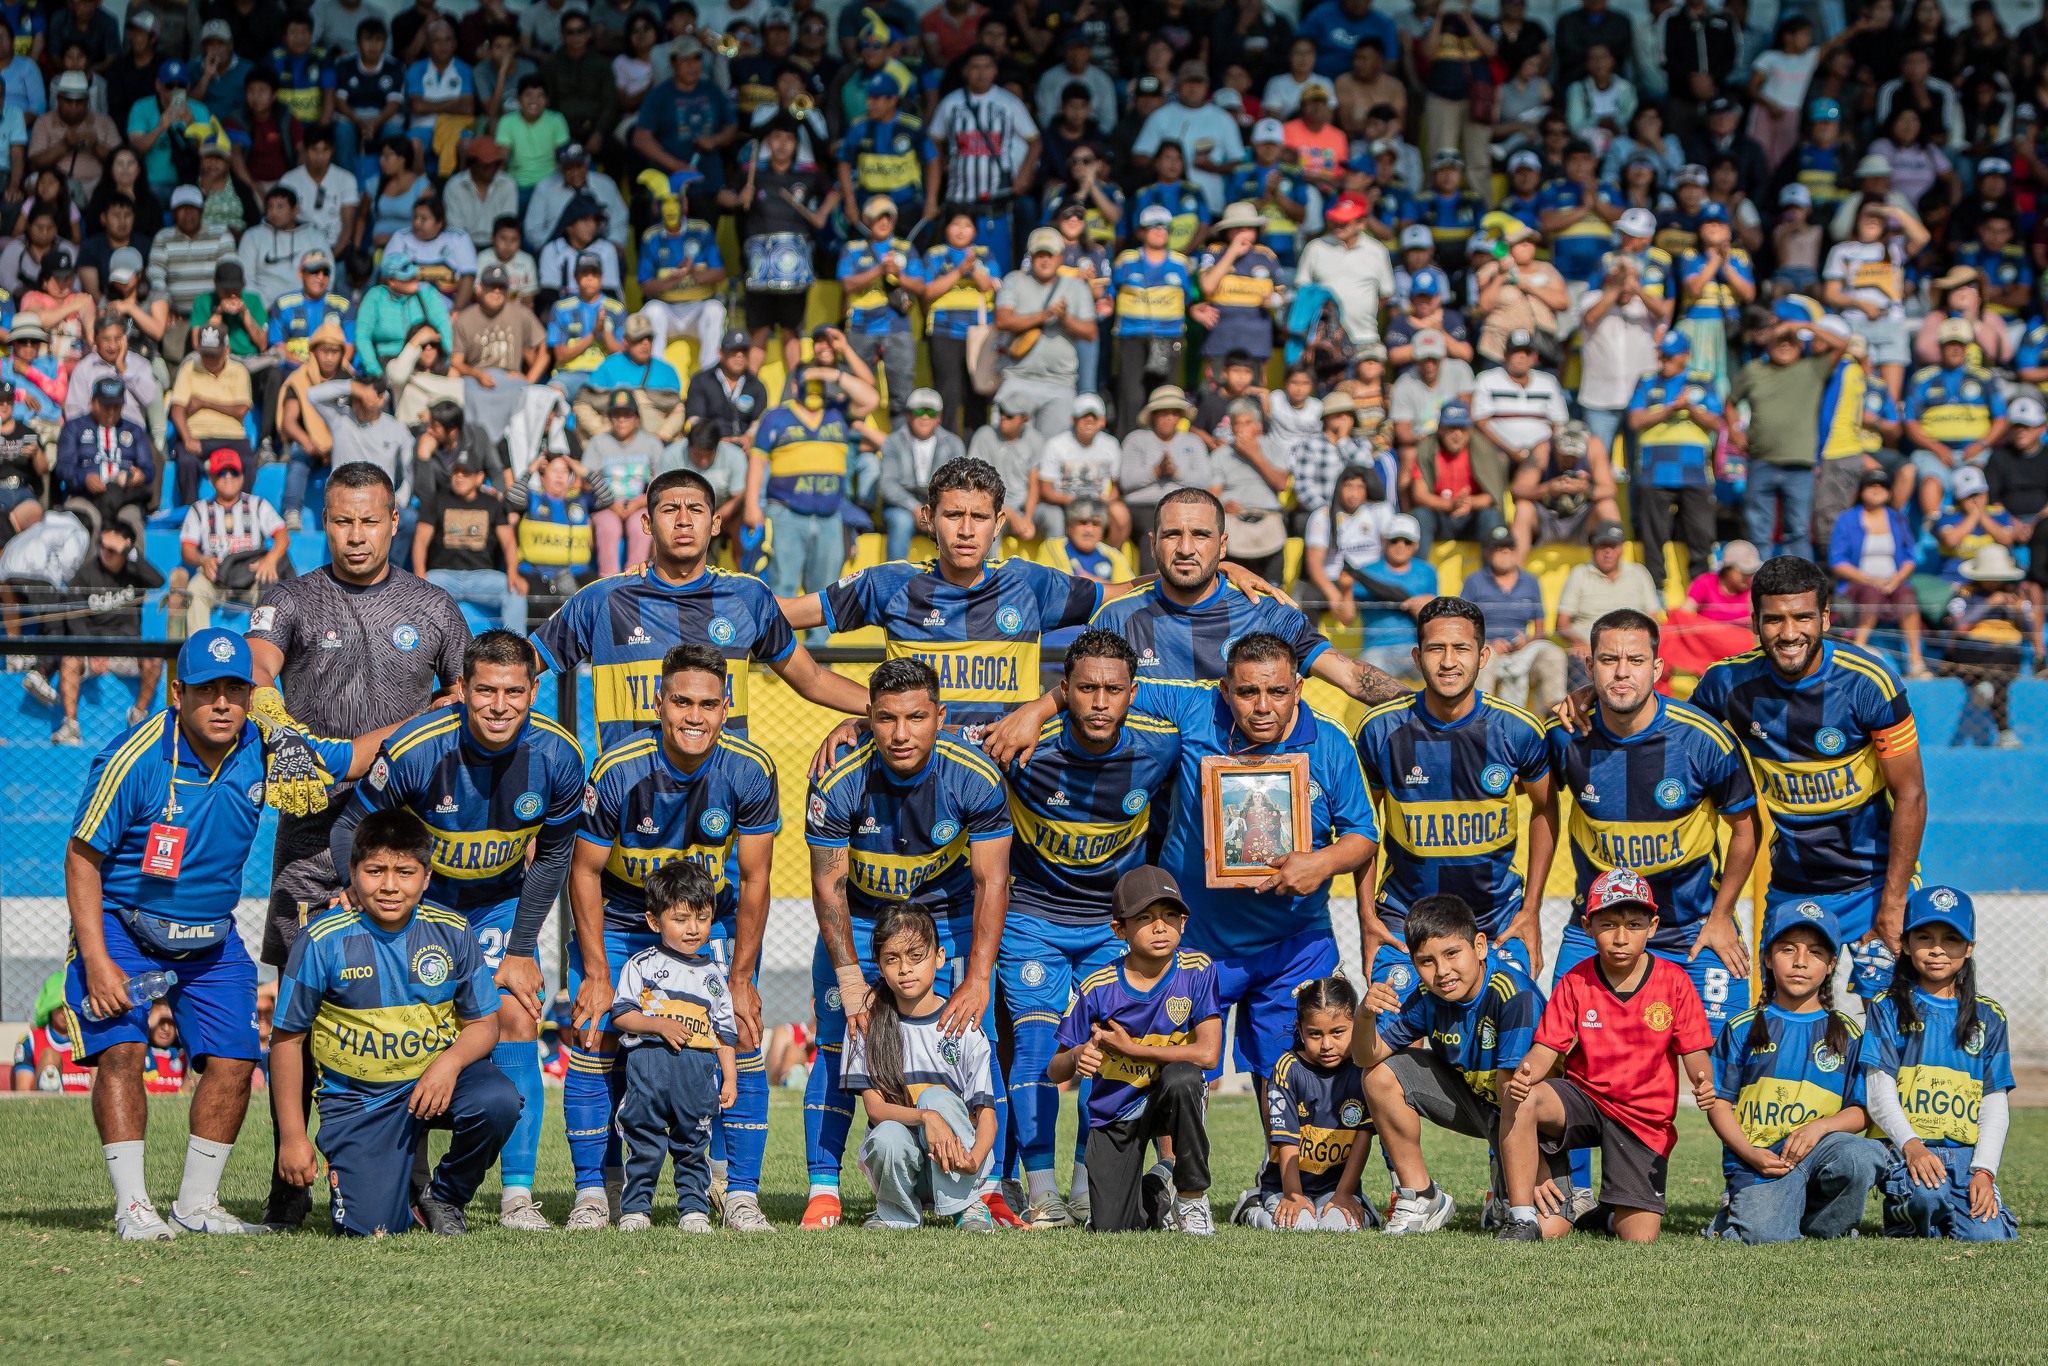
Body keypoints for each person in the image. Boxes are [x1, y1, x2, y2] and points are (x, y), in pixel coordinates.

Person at [63, 627, 366, 1240]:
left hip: (211, 937)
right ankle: (133, 1208)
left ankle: (196, 1205)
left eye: (236, 688)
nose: (223, 702)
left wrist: (431, 716)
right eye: (208, 690)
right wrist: (97, 959)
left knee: (233, 1060)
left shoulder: (269, 744)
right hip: (124, 927)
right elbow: (81, 857)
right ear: (178, 693)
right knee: (123, 1053)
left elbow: (351, 757)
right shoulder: (137, 758)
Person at [244, 461, 472, 1232]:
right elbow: (259, 661)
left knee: (407, 1011)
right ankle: (290, 1172)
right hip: (311, 846)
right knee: (304, 1018)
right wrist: (267, 699)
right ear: (326, 522)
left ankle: (408, 1183)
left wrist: (439, 712)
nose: (355, 534)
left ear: (394, 519)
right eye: (341, 520)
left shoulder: (434, 607)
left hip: (404, 849)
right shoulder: (291, 598)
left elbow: (469, 696)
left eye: (368, 520)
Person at [325, 630, 586, 1231]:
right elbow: (351, 827)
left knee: (518, 1012)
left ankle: (517, 1198)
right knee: (399, 1018)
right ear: (462, 689)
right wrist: (358, 893)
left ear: (534, 691)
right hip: (421, 906)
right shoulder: (417, 748)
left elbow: (552, 854)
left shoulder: (560, 756)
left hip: (495, 903)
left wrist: (522, 948)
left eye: (514, 692)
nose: (500, 705)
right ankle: (401, 1174)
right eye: (486, 691)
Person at [1650, 555, 1926, 1005]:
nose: (1790, 632)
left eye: (1802, 617)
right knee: (1777, 1027)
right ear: (1755, 622)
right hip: (1792, 884)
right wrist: (1594, 698)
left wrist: (1893, 904)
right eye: (1774, 620)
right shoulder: (1728, 684)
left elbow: (1910, 794)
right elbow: (1673, 733)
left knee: (1894, 1029)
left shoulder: (1868, 681)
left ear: (1825, 617)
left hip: (1873, 886)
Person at [800, 657, 1017, 1228]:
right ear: (868, 717)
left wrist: (975, 977)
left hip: (941, 920)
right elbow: (829, 885)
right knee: (835, 1048)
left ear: (940, 717)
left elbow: (992, 880)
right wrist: (850, 976)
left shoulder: (974, 775)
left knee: (973, 1039)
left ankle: (983, 1185)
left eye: (917, 717)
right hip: (862, 927)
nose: (901, 733)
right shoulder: (837, 778)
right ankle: (824, 1189)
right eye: (887, 718)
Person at [990, 630, 1183, 1226]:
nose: (1100, 702)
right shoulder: (1023, 743)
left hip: (1112, 928)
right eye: (1086, 688)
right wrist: (859, 726)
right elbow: (924, 736)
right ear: (1064, 690)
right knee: (1038, 1045)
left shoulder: (1162, 746)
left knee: (1107, 1049)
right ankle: (1042, 1188)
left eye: (1113, 689)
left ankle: (1084, 1183)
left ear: (1132, 693)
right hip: (1034, 919)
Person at [270, 809, 520, 1238]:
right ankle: (383, 1178)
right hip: (359, 1100)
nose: (389, 885)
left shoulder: (453, 931)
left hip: (432, 1081)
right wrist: (294, 1137)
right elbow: (286, 1040)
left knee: (498, 1101)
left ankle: (444, 1196)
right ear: (352, 872)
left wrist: (449, 1065)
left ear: (426, 877)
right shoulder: (321, 939)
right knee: (373, 1231)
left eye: (405, 872)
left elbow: (485, 1024)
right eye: (375, 871)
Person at [1546, 608, 1763, 1040]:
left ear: (1658, 668)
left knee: (1725, 1065)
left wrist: (1721, 917)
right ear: (1589, 667)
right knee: (1556, 1053)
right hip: (1599, 930)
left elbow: (1746, 829)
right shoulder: (1564, 735)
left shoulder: (1703, 739)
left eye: (1636, 660)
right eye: (1608, 661)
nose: (1622, 672)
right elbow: (1535, 806)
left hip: (1693, 929)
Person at [1497, 868, 1717, 1242]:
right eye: (1608, 924)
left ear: (1653, 926)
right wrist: (1526, 1074)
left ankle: (1608, 1214)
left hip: (1642, 1117)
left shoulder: (1675, 981)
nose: (1620, 937)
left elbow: (1694, 1051)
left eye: (1633, 924)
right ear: (1587, 926)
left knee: (1638, 1238)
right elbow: (1547, 1047)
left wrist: (1704, 1082)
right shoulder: (1576, 980)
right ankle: (1521, 1217)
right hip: (1585, 1099)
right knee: (1525, 1099)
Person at [1352, 592, 1555, 983]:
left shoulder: (1518, 729)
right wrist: (1366, 917)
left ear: (1482, 656)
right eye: (1435, 649)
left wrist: (1531, 909)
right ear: (1416, 657)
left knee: (1518, 1030)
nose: (1448, 662)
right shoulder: (1380, 729)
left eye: (1461, 648)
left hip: (1496, 920)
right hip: (1403, 918)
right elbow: (1362, 826)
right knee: (1382, 1038)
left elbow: (1546, 810)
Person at [1354, 891, 1569, 1233]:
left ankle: (1510, 1194)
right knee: (1378, 1076)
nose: (1442, 971)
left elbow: (1518, 1095)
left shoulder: (1514, 995)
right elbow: (1367, 1056)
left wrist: (1536, 1166)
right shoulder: (1427, 996)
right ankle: (1423, 1197)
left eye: (1452, 953)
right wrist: (1364, 1016)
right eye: (1426, 961)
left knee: (1550, 1226)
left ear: (1480, 946)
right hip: (1482, 1106)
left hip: (1529, 1119)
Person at [1046, 865, 1221, 1235]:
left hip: (1167, 1098)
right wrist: (1078, 1057)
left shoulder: (1198, 969)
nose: (1160, 927)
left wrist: (1133, 1049)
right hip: (1117, 1111)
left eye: (1169, 915)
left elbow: (1208, 1055)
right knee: (1115, 1228)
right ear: (1119, 929)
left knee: (1186, 1077)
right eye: (1145, 917)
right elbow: (1054, 1070)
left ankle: (1190, 1198)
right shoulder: (1098, 986)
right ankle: (1160, 1185)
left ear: (1184, 923)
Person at [1704, 902, 1889, 1244]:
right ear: (1767, 957)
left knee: (1864, 1155)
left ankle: (1822, 1221)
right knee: (1763, 1236)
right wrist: (1749, 1154)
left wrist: (1820, 1127)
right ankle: (1738, 1214)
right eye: (1788, 949)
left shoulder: (1848, 1033)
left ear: (1832, 964)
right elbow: (1719, 1102)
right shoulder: (1742, 1028)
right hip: (1762, 1165)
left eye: (1815, 952)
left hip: (1820, 1157)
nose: (1801, 961)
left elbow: (1862, 1110)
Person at [1863, 886, 2016, 1241]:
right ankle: (1906, 1217)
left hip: (1965, 1157)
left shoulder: (1989, 1016)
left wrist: (1984, 1171)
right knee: (1926, 1197)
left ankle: (1960, 1206)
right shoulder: (1887, 1007)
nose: (1937, 949)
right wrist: (1912, 1146)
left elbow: (1995, 1103)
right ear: (1905, 942)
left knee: (1990, 1237)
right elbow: (1878, 1090)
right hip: (1909, 1149)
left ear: (1970, 947)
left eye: (1951, 938)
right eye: (1925, 936)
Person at [845, 903, 1001, 1232]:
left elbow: (986, 1115)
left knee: (937, 1098)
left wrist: (975, 1159)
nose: (905, 969)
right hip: (906, 1169)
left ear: (939, 957)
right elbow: (874, 1109)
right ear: (880, 966)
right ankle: (895, 1212)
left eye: (916, 956)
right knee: (887, 1133)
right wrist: (926, 1118)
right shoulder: (866, 1027)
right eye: (892, 959)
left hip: (958, 1166)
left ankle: (967, 1205)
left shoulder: (964, 1028)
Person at [1236, 977, 1375, 1231]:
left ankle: (1362, 1206)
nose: (1326, 1045)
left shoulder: (1362, 1070)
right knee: (1297, 1225)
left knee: (1338, 1227)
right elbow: (1286, 1141)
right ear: (1299, 1029)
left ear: (1355, 1025)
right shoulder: (1287, 1070)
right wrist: (1293, 1195)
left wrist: (1344, 1194)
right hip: (1285, 1185)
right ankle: (1251, 1210)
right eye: (1314, 1034)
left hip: (1336, 1186)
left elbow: (1363, 1139)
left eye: (1337, 1032)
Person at [1728, 319, 1850, 562]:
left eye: (1790, 342)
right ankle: (1760, 588)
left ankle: (1801, 590)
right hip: (1761, 461)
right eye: (1778, 341)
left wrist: (1804, 326)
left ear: (1800, 346)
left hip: (1800, 465)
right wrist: (1734, 430)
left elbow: (1840, 345)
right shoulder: (1753, 370)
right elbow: (1730, 402)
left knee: (1798, 532)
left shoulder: (1812, 369)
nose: (1784, 346)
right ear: (1768, 345)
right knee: (1759, 533)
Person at [1626, 329, 1722, 592]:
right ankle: (1655, 592)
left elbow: (1716, 422)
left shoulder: (1703, 380)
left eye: (1671, 356)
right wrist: (1669, 408)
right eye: (1662, 355)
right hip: (1654, 471)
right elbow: (1634, 420)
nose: (1664, 361)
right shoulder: (1646, 381)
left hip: (1695, 472)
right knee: (1653, 537)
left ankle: (1701, 593)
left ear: (1686, 356)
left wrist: (1689, 408)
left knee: (1701, 536)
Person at [54, 518, 165, 745]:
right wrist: (92, 649)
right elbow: (74, 618)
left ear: (126, 548)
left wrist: (130, 552)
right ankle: (70, 726)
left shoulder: (134, 572)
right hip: (93, 649)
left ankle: (138, 715)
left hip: (127, 649)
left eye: (113, 549)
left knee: (155, 658)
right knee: (69, 660)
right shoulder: (85, 574)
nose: (106, 552)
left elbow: (158, 580)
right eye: (103, 546)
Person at [990, 227, 1096, 439]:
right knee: (1004, 443)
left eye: (1050, 254)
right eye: (1040, 255)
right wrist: (1045, 315)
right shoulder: (1015, 280)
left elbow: (1091, 332)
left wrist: (1065, 318)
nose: (1045, 260)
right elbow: (1002, 320)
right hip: (1017, 378)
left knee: (1052, 453)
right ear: (1031, 257)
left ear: (1061, 257)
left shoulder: (1076, 287)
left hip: (1060, 384)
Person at [175, 446, 288, 634]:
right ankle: (201, 652)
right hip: (215, 577)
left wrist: (270, 560)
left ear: (242, 477)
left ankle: (269, 649)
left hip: (251, 576)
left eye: (233, 472)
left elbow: (282, 536)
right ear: (211, 478)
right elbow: (187, 549)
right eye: (221, 473)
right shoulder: (199, 510)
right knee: (195, 588)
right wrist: (203, 560)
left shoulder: (257, 505)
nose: (228, 477)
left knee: (272, 593)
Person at [1906, 316, 2009, 522]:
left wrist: (1981, 444)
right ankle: (1934, 529)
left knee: (1979, 478)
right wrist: (1936, 448)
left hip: (1975, 451)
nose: (1955, 349)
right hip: (1934, 452)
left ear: (1967, 347)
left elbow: (2002, 419)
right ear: (1940, 347)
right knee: (1931, 481)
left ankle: (1981, 529)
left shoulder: (1984, 377)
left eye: (1960, 345)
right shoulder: (1921, 378)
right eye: (1950, 344)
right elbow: (1910, 423)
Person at [412, 446, 523, 632]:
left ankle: (516, 652)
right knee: (417, 591)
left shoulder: (492, 503)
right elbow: (421, 540)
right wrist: (419, 572)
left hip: (482, 577)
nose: (459, 477)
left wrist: (513, 572)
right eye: (456, 471)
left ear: (479, 477)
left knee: (517, 591)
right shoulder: (437, 499)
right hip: (444, 576)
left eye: (466, 473)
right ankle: (419, 651)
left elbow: (509, 542)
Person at [1464, 525, 1567, 715]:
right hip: (1487, 646)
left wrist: (1527, 641)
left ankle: (1555, 714)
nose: (1505, 553)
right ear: (1488, 552)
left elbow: (1540, 628)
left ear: (1515, 551)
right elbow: (1463, 625)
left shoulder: (1530, 582)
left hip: (1522, 649)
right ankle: (1479, 715)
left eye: (1509, 548)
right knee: (1484, 657)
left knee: (1554, 654)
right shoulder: (1474, 581)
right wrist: (1487, 643)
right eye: (1498, 548)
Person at [634, 176, 726, 371]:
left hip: (698, 309)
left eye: (674, 203)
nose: (670, 209)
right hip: (669, 310)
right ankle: (657, 376)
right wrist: (673, 278)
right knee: (652, 310)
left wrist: (693, 272)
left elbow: (719, 274)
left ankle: (709, 374)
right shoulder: (651, 237)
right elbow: (644, 285)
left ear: (684, 204)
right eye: (664, 204)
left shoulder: (701, 230)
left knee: (715, 309)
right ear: (655, 207)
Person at [52, 374, 154, 542]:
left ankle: (134, 567)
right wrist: (85, 478)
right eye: (106, 406)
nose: (112, 411)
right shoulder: (74, 428)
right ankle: (87, 568)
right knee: (85, 523)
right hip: (84, 497)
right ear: (93, 402)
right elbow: (63, 467)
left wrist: (140, 475)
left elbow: (148, 468)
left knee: (132, 523)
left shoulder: (135, 430)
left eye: (117, 406)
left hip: (124, 497)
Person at [877, 387, 966, 562]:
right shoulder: (892, 442)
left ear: (939, 417)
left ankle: (958, 579)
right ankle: (895, 581)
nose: (925, 417)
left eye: (931, 412)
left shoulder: (954, 443)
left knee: (954, 521)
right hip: (902, 505)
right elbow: (887, 485)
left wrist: (935, 509)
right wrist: (915, 508)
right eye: (919, 411)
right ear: (909, 415)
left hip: (940, 503)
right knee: (901, 522)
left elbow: (959, 485)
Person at [1554, 520, 1664, 659]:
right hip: (1590, 650)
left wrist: (1643, 645)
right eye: (1602, 546)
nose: (1608, 552)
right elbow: (1561, 624)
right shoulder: (1579, 574)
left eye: (1613, 546)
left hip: (1633, 649)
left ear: (1622, 548)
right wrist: (1579, 642)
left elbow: (1654, 619)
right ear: (1593, 548)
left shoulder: (1639, 573)